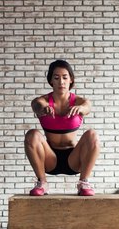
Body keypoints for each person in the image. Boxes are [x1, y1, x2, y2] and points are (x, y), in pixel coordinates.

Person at [24, 60, 100, 196]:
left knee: (92, 135)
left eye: (65, 77)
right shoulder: (43, 101)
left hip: (74, 159)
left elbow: (88, 106)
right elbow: (35, 104)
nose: (61, 82)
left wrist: (81, 108)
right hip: (49, 158)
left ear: (71, 80)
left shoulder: (78, 101)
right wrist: (42, 108)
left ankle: (84, 183)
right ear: (51, 81)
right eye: (56, 78)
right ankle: (42, 183)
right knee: (32, 134)